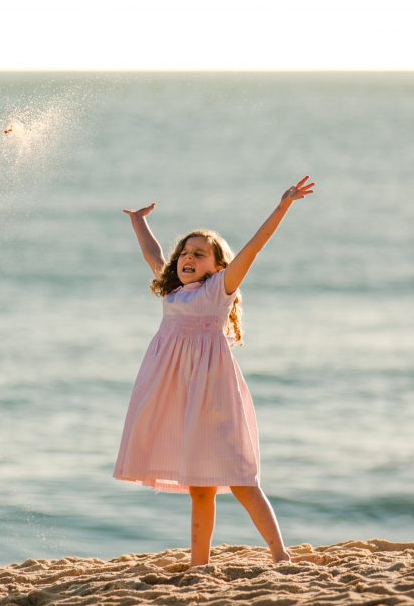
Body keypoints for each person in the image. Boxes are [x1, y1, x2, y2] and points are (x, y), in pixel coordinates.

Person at [112, 175, 316, 567]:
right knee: (199, 487)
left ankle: (281, 555)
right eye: (185, 252)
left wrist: (283, 205)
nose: (189, 258)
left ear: (219, 265)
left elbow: (254, 249)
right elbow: (153, 255)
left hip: (214, 393)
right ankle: (198, 566)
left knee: (241, 478)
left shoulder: (219, 289)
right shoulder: (172, 289)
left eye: (200, 254)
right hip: (178, 394)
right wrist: (139, 222)